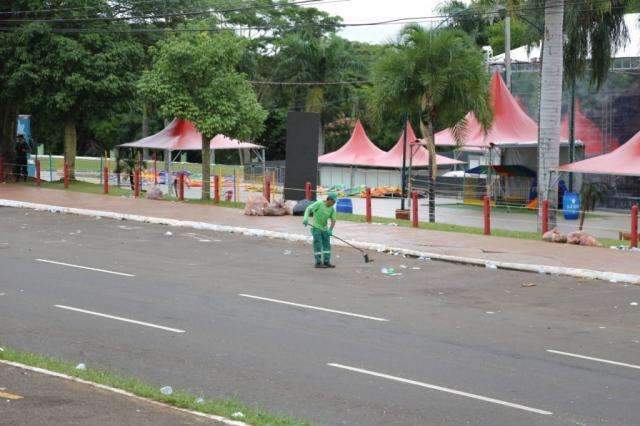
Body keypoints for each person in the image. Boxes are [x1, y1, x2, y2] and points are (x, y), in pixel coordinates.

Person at [303, 192, 337, 269]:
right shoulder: (319, 203)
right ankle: (318, 262)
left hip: (325, 229)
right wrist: (305, 218)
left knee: (327, 245)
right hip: (316, 228)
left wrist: (330, 230)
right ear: (329, 199)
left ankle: (326, 261)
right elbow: (308, 209)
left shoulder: (332, 209)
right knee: (318, 245)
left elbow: (333, 220)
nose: (334, 204)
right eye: (333, 202)